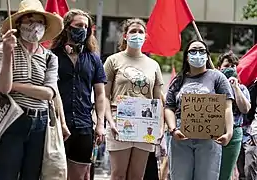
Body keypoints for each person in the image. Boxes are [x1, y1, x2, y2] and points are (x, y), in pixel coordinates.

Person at [0, 0, 64, 179]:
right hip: (12, 119)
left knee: (31, 175)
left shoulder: (50, 58)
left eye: (40, 21)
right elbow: (3, 88)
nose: (35, 26)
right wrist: (9, 53)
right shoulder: (3, 49)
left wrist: (15, 86)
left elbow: (49, 93)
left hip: (40, 123)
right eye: (29, 20)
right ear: (18, 24)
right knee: (6, 174)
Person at [164, 40, 234, 180]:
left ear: (207, 55)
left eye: (202, 51)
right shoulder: (178, 80)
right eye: (193, 50)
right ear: (186, 56)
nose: (198, 54)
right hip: (181, 137)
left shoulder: (218, 78)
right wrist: (173, 129)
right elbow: (169, 108)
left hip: (210, 138)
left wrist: (229, 132)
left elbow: (227, 107)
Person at [104, 18, 164, 180]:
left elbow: (158, 101)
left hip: (145, 124)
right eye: (133, 31)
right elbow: (105, 96)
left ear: (146, 37)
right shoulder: (113, 60)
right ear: (125, 36)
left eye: (140, 32)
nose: (137, 35)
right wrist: (110, 122)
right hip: (119, 122)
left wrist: (160, 127)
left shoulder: (153, 65)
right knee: (118, 175)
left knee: (137, 176)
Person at [51, 9, 106, 180]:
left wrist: (100, 124)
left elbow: (100, 94)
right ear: (67, 28)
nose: (82, 29)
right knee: (56, 173)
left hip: (84, 125)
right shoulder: (52, 56)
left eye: (86, 26)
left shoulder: (93, 59)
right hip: (57, 124)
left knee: (80, 175)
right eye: (78, 25)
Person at [217, 51, 251, 180]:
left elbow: (245, 109)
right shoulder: (213, 87)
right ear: (219, 68)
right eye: (226, 66)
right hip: (214, 132)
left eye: (232, 66)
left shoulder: (242, 89)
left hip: (234, 135)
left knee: (226, 172)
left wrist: (235, 88)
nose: (229, 69)